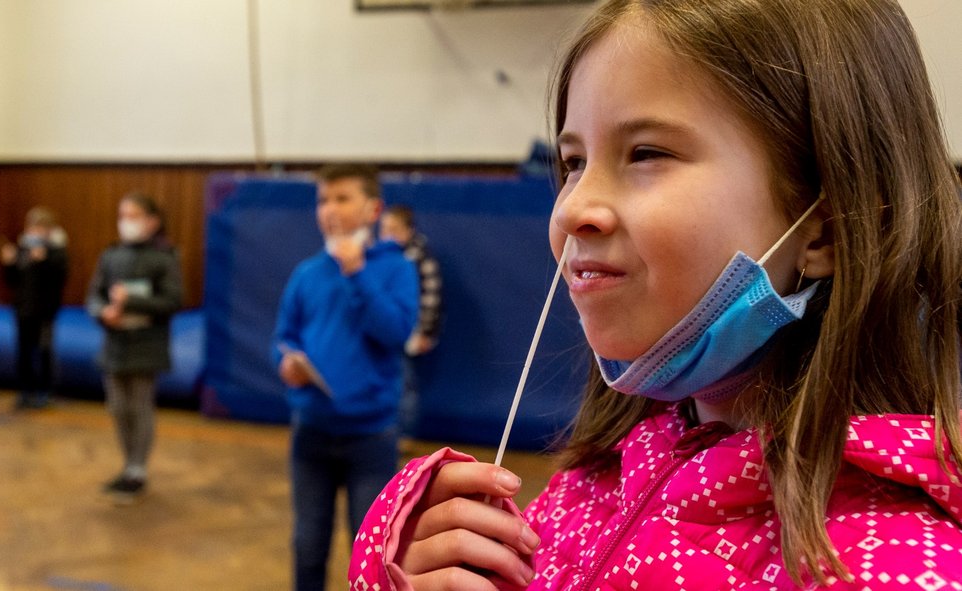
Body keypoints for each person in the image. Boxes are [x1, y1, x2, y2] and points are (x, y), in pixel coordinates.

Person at [349, 1, 962, 589]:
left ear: (823, 227)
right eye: (572, 162)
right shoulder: (594, 484)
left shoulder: (895, 568)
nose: (575, 209)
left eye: (646, 153)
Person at [272, 163, 418, 591]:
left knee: (370, 550)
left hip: (371, 437)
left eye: (342, 198)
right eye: (322, 200)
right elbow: (283, 335)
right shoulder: (307, 273)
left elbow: (394, 332)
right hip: (310, 434)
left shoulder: (396, 269)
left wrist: (356, 273)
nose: (330, 209)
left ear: (373, 208)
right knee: (307, 543)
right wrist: (286, 364)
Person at [86, 192, 182, 503]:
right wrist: (103, 312)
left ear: (152, 221)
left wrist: (132, 302)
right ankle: (127, 463)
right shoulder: (111, 256)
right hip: (115, 344)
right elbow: (94, 296)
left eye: (134, 216)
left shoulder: (164, 258)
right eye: (123, 215)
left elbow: (173, 300)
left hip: (146, 345)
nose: (127, 222)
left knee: (140, 407)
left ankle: (137, 470)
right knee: (117, 408)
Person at [379, 204, 443, 436]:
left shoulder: (420, 258)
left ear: (409, 231)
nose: (387, 235)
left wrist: (425, 331)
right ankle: (386, 430)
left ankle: (402, 433)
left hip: (411, 332)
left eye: (394, 229)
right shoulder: (382, 257)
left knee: (406, 386)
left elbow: (431, 296)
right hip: (389, 331)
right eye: (384, 229)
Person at [0, 206, 68, 409]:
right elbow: (12, 281)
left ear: (50, 230)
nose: (37, 232)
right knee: (23, 351)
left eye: (42, 227)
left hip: (45, 311)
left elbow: (59, 280)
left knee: (44, 351)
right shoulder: (23, 251)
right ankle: (26, 391)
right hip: (22, 310)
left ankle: (47, 391)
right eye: (34, 227)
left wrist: (43, 262)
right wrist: (9, 263)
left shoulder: (57, 253)